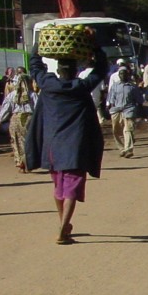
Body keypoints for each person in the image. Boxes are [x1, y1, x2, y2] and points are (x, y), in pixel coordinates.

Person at [26, 42, 108, 244]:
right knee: (72, 186)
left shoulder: (48, 84)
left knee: (59, 185)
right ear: (75, 71)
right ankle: (64, 225)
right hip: (76, 145)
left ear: (58, 71)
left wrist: (38, 46)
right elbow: (101, 69)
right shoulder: (81, 87)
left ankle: (63, 222)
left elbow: (34, 67)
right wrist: (95, 47)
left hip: (53, 146)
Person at [0, 67, 35, 171]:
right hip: (29, 119)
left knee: (17, 141)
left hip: (15, 119)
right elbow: (39, 108)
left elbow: (5, 110)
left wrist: (0, 121)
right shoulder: (33, 95)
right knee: (28, 141)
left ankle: (20, 163)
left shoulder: (12, 95)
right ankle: (28, 161)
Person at [105, 64, 144, 158]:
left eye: (124, 74)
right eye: (121, 74)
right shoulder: (115, 86)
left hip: (129, 110)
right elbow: (111, 99)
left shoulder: (132, 87)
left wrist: (141, 113)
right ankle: (121, 148)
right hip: (116, 110)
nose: (122, 75)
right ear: (119, 75)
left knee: (128, 130)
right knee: (116, 131)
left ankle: (128, 149)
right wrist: (108, 106)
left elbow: (139, 100)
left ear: (127, 75)